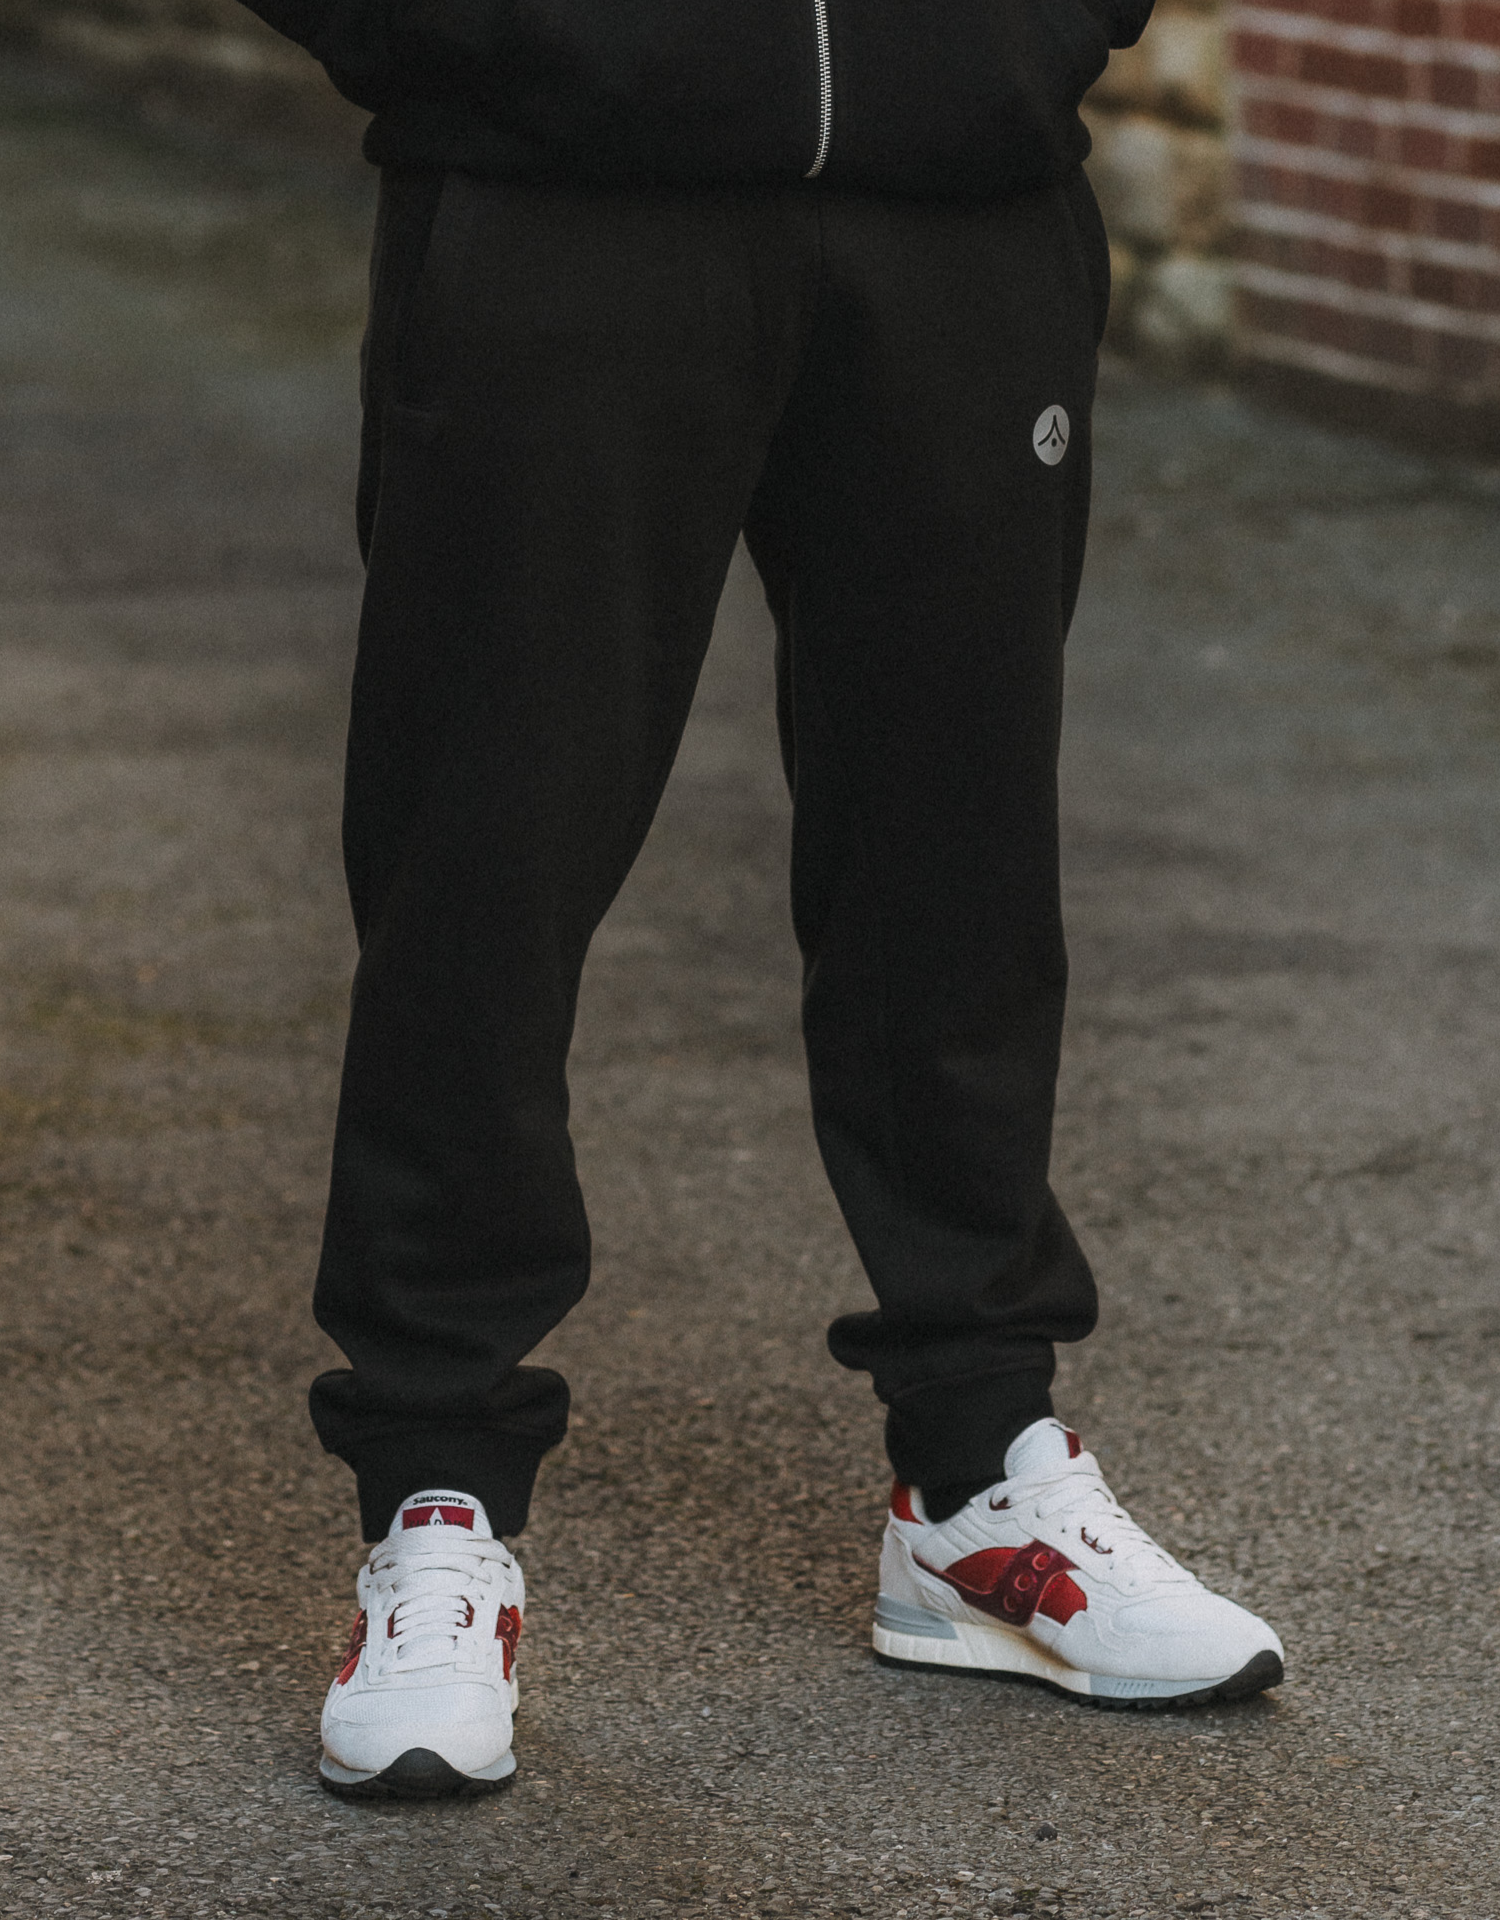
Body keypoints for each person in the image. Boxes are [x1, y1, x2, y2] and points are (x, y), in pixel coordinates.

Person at [238, 0, 1286, 1800]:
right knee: (482, 865)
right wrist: (500, 49)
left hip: (961, 205)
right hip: (567, 204)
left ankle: (978, 1484)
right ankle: (437, 1500)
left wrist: (1020, 38)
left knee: (958, 858)